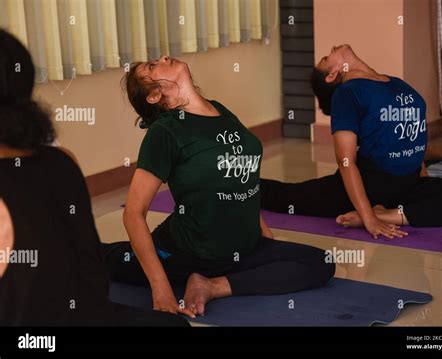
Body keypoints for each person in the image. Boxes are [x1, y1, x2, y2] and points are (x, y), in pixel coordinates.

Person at [102, 55, 336, 318]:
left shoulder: (220, 111)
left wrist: (263, 231)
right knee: (104, 259)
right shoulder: (166, 132)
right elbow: (133, 212)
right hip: (186, 252)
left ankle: (211, 286)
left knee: (321, 262)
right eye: (153, 66)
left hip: (243, 248)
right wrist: (161, 289)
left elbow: (240, 176)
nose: (164, 57)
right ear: (155, 95)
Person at [0, 29, 188, 327]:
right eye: (151, 66)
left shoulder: (58, 165)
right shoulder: (61, 162)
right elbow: (94, 267)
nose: (163, 58)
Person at [260, 44, 442, 238]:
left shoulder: (396, 84)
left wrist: (424, 183)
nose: (333, 47)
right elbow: (346, 162)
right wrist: (370, 220)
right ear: (332, 74)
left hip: (408, 183)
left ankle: (388, 215)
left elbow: (410, 140)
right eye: (327, 57)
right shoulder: (348, 93)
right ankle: (240, 187)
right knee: (286, 196)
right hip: (369, 186)